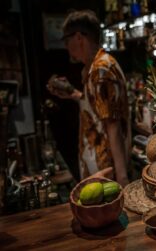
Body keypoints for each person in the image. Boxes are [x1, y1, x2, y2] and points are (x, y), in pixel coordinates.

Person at [47, 10, 130, 187]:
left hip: (106, 173)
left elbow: (112, 125)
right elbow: (99, 110)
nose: (66, 46)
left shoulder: (101, 70)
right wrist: (74, 95)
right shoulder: (96, 67)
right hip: (100, 170)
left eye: (66, 40)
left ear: (78, 37)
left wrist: (122, 179)